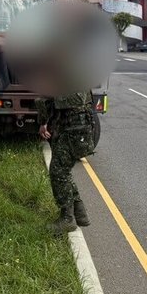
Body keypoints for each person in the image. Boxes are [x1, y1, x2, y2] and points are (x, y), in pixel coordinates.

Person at [37, 91, 96, 236]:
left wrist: (43, 123)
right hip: (80, 126)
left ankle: (67, 219)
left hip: (72, 128)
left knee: (58, 171)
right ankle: (80, 213)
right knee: (64, 169)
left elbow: (44, 99)